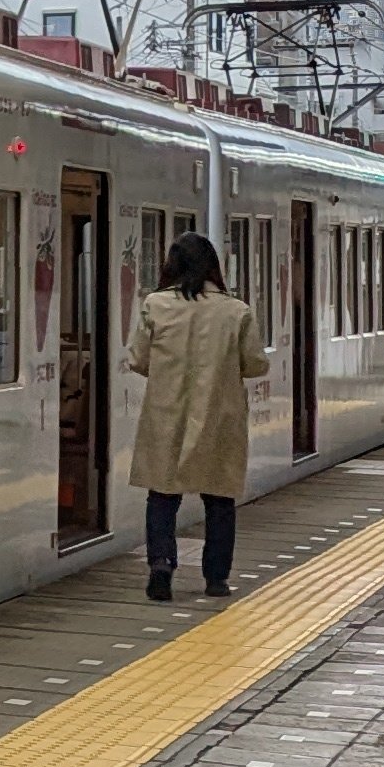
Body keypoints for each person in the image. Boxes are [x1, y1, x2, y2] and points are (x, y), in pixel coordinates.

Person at [125, 228, 268, 599]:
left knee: (162, 495)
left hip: (165, 413)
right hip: (218, 415)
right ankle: (216, 578)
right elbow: (255, 365)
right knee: (219, 498)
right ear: (213, 266)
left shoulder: (154, 305)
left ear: (171, 265)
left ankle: (161, 565)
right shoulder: (236, 311)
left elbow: (139, 360)